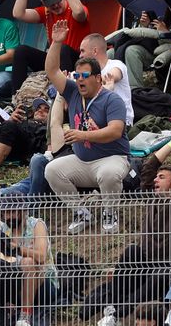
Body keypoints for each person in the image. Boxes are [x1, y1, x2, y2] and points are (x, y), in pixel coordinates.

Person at [44, 20, 130, 236]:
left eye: (84, 76)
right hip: (83, 161)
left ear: (98, 78)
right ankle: (82, 213)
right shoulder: (72, 91)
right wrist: (56, 43)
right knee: (52, 169)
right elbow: (52, 70)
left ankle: (110, 213)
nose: (79, 80)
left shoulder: (111, 99)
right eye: (77, 76)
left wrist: (82, 134)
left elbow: (115, 131)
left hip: (112, 158)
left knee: (109, 173)